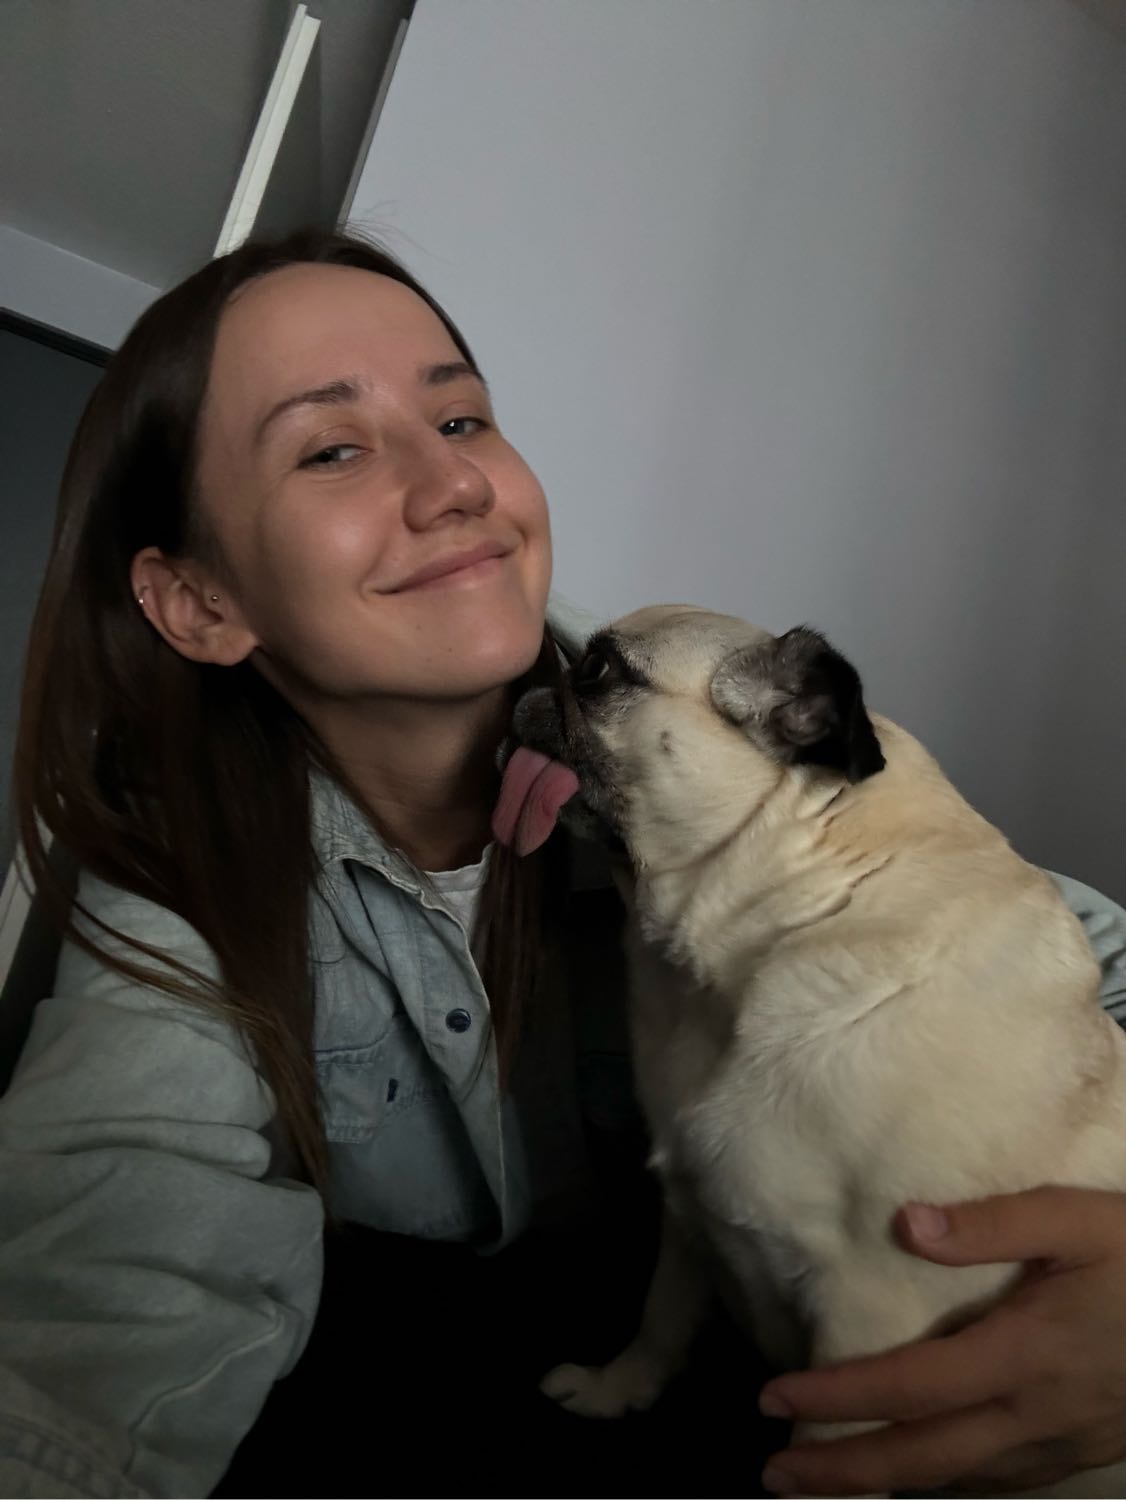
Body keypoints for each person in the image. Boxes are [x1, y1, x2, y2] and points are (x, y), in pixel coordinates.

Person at [0, 228, 1123, 1499]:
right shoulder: (179, 878)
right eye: (331, 448)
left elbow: (1066, 969)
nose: (453, 484)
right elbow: (104, 1269)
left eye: (462, 420)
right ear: (201, 603)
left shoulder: (748, 766)